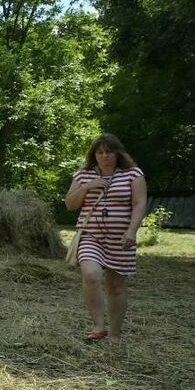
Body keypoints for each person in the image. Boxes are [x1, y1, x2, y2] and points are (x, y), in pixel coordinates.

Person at [63, 134, 146, 343]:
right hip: (91, 235)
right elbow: (70, 204)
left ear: (118, 153)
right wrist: (86, 187)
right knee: (91, 275)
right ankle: (98, 325)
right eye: (100, 152)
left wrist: (132, 230)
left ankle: (115, 334)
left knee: (115, 287)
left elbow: (139, 204)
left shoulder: (133, 174)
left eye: (109, 151)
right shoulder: (83, 175)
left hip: (121, 239)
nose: (104, 156)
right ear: (94, 155)